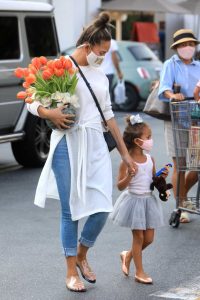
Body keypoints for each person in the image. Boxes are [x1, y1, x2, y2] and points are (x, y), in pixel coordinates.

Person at [27, 12, 136, 293]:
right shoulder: (63, 67)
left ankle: (82, 253)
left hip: (96, 145)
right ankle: (70, 271)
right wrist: (49, 112)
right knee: (71, 211)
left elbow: (109, 116)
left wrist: (125, 154)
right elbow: (31, 100)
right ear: (88, 46)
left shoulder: (99, 75)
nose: (103, 58)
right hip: (67, 144)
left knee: (101, 207)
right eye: (101, 52)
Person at [110, 114, 166, 284]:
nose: (151, 140)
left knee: (149, 239)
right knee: (139, 238)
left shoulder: (150, 159)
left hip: (148, 202)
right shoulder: (126, 162)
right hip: (133, 203)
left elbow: (152, 181)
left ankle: (128, 254)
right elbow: (120, 186)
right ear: (137, 141)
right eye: (148, 137)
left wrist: (161, 178)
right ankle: (139, 272)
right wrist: (128, 176)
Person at [158, 29, 199, 223]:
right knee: (180, 166)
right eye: (183, 45)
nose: (187, 48)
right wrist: (173, 95)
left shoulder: (198, 66)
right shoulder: (170, 64)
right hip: (176, 118)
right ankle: (181, 206)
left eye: (190, 44)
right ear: (176, 48)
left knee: (197, 166)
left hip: (196, 120)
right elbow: (164, 87)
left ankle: (183, 198)